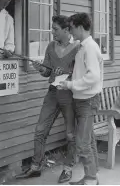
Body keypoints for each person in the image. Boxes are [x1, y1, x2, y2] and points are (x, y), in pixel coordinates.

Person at [15, 16, 80, 183]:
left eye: (55, 29)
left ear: (66, 30)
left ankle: (68, 168)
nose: (52, 33)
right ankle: (36, 167)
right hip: (53, 92)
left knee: (71, 134)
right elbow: (46, 72)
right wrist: (41, 69)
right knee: (40, 130)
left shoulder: (78, 47)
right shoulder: (51, 47)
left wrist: (68, 73)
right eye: (52, 29)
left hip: (69, 95)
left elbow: (81, 74)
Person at [60, 13, 103, 185]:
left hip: (87, 100)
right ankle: (91, 176)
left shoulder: (90, 47)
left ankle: (91, 179)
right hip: (82, 99)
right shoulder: (82, 46)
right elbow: (84, 73)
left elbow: (93, 77)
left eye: (71, 28)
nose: (70, 32)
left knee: (82, 143)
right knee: (88, 140)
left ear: (79, 27)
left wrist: (70, 85)